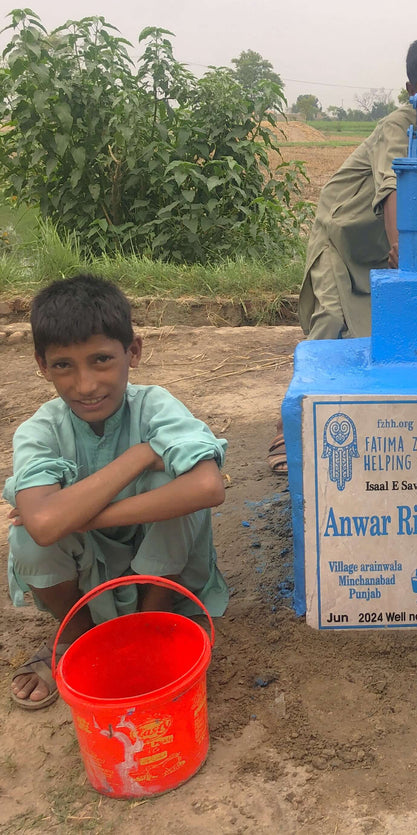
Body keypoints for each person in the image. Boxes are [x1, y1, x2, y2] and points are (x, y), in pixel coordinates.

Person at [6, 275, 229, 710]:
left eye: (102, 359)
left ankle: (147, 626)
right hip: (86, 570)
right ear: (40, 364)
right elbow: (47, 526)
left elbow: (208, 486)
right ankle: (79, 635)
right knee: (28, 535)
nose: (85, 385)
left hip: (163, 570)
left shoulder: (155, 405)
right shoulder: (40, 430)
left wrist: (86, 514)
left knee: (176, 489)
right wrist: (143, 454)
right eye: (63, 366)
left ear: (134, 352)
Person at [267, 36, 417, 474]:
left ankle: (361, 420)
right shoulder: (399, 127)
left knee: (373, 334)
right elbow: (395, 188)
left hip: (381, 246)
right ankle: (291, 430)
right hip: (340, 238)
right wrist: (403, 251)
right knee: (331, 323)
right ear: (411, 89)